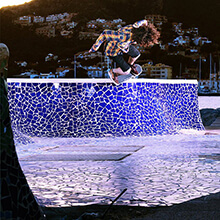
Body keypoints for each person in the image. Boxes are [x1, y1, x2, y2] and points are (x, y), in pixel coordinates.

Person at [89, 19, 160, 84]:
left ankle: (130, 65)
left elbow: (144, 21)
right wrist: (94, 47)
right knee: (126, 72)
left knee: (136, 54)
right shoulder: (122, 37)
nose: (137, 43)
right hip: (113, 51)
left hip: (124, 45)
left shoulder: (136, 26)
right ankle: (113, 72)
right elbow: (105, 33)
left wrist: (146, 25)